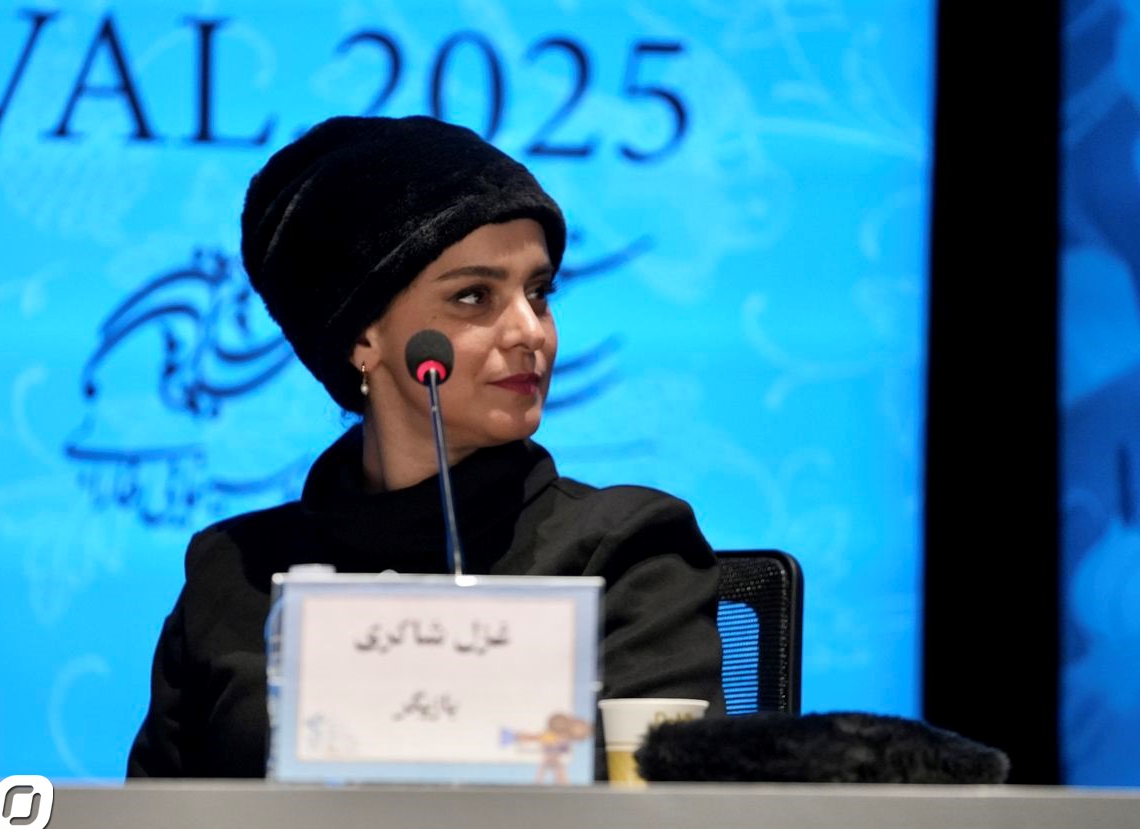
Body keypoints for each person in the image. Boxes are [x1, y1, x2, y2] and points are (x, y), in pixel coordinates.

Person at [127, 115, 722, 780]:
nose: (530, 332)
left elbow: (664, 816)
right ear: (362, 338)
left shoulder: (626, 552)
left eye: (538, 293)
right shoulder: (234, 571)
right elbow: (150, 819)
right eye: (474, 296)